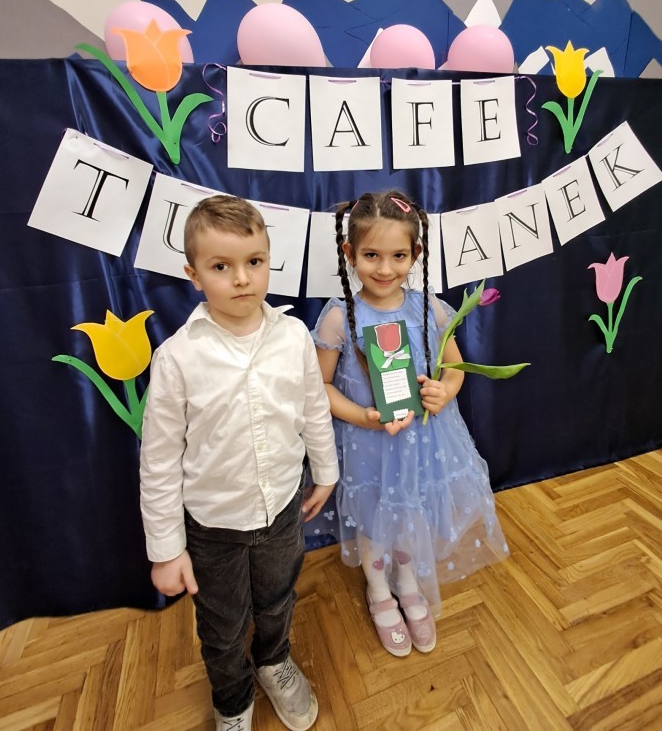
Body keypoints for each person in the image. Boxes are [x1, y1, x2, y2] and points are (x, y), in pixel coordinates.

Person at [140, 195, 339, 731]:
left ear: (269, 260)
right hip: (213, 526)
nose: (243, 279)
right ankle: (232, 699)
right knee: (223, 625)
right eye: (221, 266)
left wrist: (326, 471)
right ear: (194, 275)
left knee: (277, 600)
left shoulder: (293, 336)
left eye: (254, 261)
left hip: (282, 510)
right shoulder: (177, 357)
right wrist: (166, 550)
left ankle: (273, 660)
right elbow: (159, 461)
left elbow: (313, 408)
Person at [312, 189, 508, 658]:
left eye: (398, 256)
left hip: (422, 440)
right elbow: (319, 388)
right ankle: (378, 587)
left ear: (415, 254)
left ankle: (406, 579)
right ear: (349, 254)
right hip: (368, 442)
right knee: (374, 515)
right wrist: (362, 416)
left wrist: (446, 390)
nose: (385, 269)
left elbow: (454, 368)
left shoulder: (430, 308)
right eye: (371, 255)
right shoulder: (339, 316)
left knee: (409, 509)